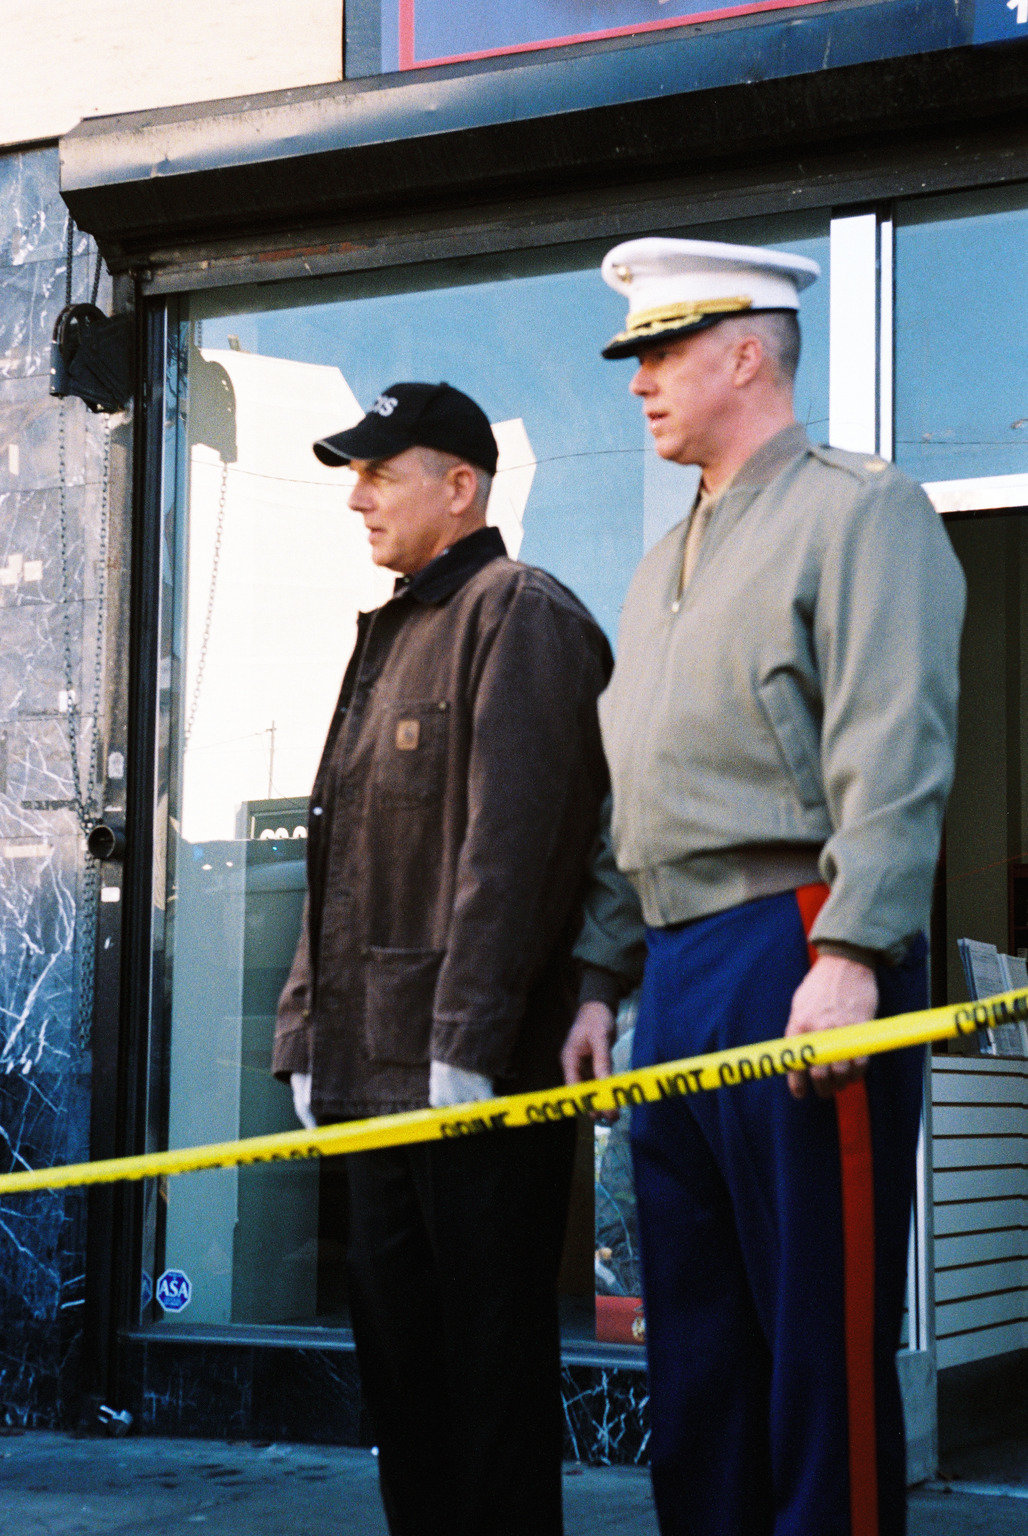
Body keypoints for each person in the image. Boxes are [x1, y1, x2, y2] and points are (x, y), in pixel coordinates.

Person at [562, 239, 966, 1536]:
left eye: (661, 351)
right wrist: (600, 980)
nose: (637, 382)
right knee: (697, 1350)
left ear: (747, 353)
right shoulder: (657, 567)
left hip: (797, 945)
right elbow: (635, 791)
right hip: (676, 971)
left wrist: (851, 951)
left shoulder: (860, 511)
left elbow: (895, 747)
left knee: (813, 1344)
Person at [272, 380, 613, 1536]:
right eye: (355, 476)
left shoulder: (520, 614)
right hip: (373, 1082)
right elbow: (338, 863)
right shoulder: (390, 633)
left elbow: (515, 853)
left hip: (474, 1087)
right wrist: (306, 1035)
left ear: (460, 486)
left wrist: (465, 1044)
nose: (357, 498)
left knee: (487, 1385)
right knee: (404, 1385)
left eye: (381, 473)